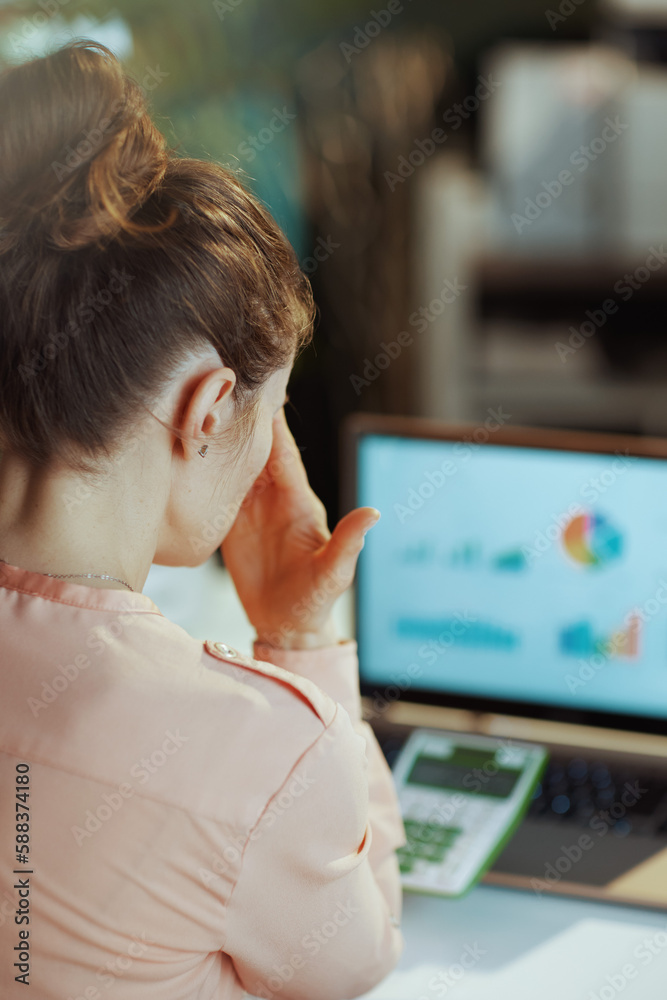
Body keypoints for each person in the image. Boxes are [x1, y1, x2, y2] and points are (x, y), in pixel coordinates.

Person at [0, 39, 405, 1000]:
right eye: (273, 414)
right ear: (209, 408)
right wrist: (301, 641)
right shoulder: (256, 749)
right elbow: (361, 958)